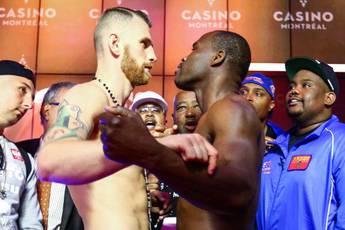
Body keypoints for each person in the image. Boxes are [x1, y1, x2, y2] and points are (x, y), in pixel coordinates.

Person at [36, 7, 217, 230]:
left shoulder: (122, 110)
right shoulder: (89, 95)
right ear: (115, 44)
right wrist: (154, 146)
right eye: (144, 44)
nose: (153, 56)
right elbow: (49, 162)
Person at [99, 30, 263, 229]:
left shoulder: (232, 108)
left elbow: (238, 192)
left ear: (217, 57)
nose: (185, 57)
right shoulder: (213, 114)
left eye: (195, 49)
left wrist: (147, 150)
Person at [256, 57, 345, 229]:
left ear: (329, 98)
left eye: (306, 85)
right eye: (291, 86)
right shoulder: (273, 148)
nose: (294, 91)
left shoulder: (340, 141)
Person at [17, 82, 83, 230]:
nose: (77, 115)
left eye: (80, 110)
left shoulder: (85, 161)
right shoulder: (16, 152)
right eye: (71, 107)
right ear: (46, 110)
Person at [0, 60, 42, 229]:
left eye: (31, 97)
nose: (28, 104)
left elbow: (31, 224)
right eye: (22, 90)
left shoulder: (24, 160)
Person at [130, 91, 173, 230]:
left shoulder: (178, 150)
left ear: (165, 120)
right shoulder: (123, 154)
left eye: (155, 110)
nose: (149, 114)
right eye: (143, 110)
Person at [239, 73, 285, 152]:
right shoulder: (221, 132)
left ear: (271, 105)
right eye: (243, 92)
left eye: (258, 94)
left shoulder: (280, 140)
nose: (248, 98)